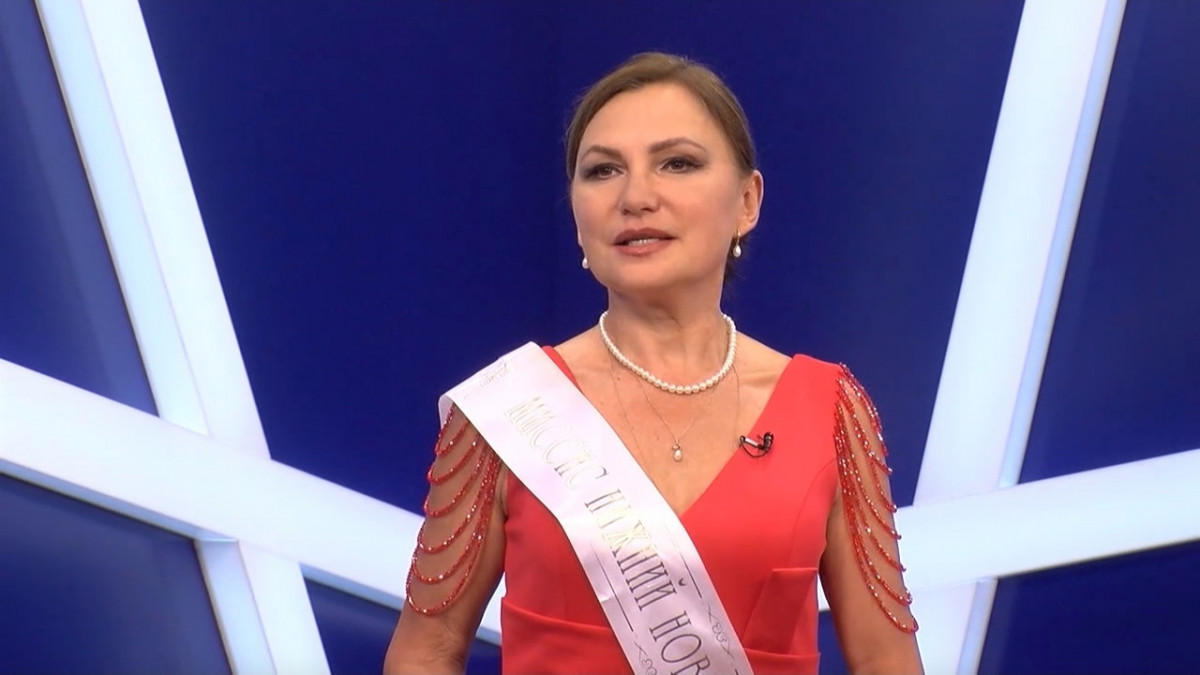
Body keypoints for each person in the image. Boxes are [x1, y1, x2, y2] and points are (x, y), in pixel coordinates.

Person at [384, 52, 922, 675]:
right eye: (603, 170)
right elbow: (424, 653)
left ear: (747, 201)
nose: (635, 196)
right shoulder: (506, 410)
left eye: (677, 163)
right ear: (577, 217)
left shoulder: (828, 409)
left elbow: (888, 663)